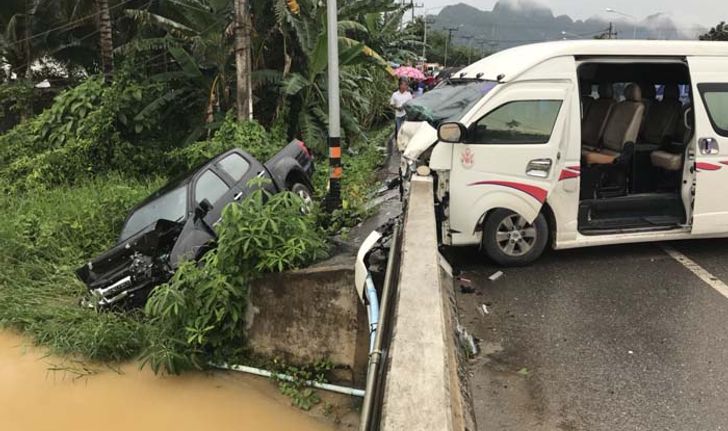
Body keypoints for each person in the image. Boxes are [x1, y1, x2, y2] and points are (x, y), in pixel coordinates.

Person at [390, 78, 413, 144]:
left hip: (406, 115)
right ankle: (400, 144)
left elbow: (411, 104)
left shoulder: (408, 94)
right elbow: (391, 104)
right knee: (399, 130)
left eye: (407, 85)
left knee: (406, 130)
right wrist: (397, 108)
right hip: (398, 115)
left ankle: (406, 143)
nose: (406, 86)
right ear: (400, 85)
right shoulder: (395, 94)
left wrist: (406, 107)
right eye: (404, 85)